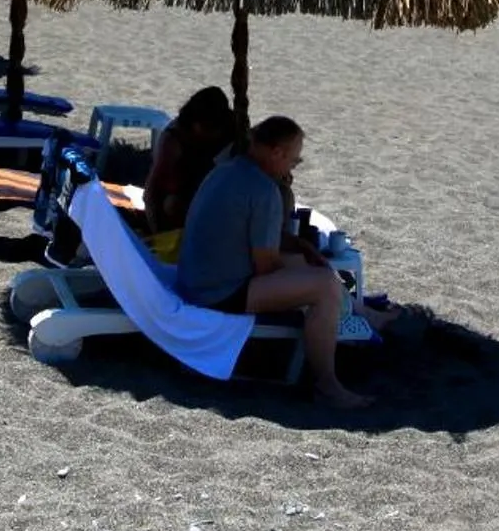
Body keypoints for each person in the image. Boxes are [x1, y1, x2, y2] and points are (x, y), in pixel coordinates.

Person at [175, 116, 371, 409]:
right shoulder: (264, 191)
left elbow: (248, 235)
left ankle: (360, 314)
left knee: (308, 269)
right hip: (217, 292)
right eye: (294, 162)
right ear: (277, 153)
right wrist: (302, 284)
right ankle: (327, 384)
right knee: (324, 286)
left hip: (194, 278)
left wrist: (299, 248)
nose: (291, 170)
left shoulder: (226, 170)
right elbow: (265, 267)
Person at [140, 85, 240, 256]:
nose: (212, 133)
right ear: (193, 122)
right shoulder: (173, 140)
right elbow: (152, 192)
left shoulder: (233, 128)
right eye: (206, 127)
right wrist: (160, 237)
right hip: (185, 193)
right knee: (172, 204)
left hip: (221, 187)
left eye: (216, 128)